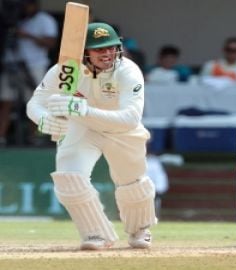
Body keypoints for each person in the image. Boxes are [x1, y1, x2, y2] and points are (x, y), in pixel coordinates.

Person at [26, 22, 157, 250]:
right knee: (68, 179)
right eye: (99, 49)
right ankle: (96, 234)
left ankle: (140, 229)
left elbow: (130, 118)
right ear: (84, 52)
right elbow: (35, 104)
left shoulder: (128, 70)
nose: (107, 54)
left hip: (121, 130)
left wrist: (82, 109)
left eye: (111, 47)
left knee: (131, 182)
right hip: (82, 128)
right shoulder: (66, 70)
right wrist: (45, 120)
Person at [0, 0, 58, 146]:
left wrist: (27, 35)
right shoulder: (16, 20)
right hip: (12, 63)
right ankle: (1, 136)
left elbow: (51, 43)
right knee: (6, 101)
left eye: (27, 5)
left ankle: (35, 137)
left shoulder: (45, 20)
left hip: (34, 65)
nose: (24, 8)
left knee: (34, 102)